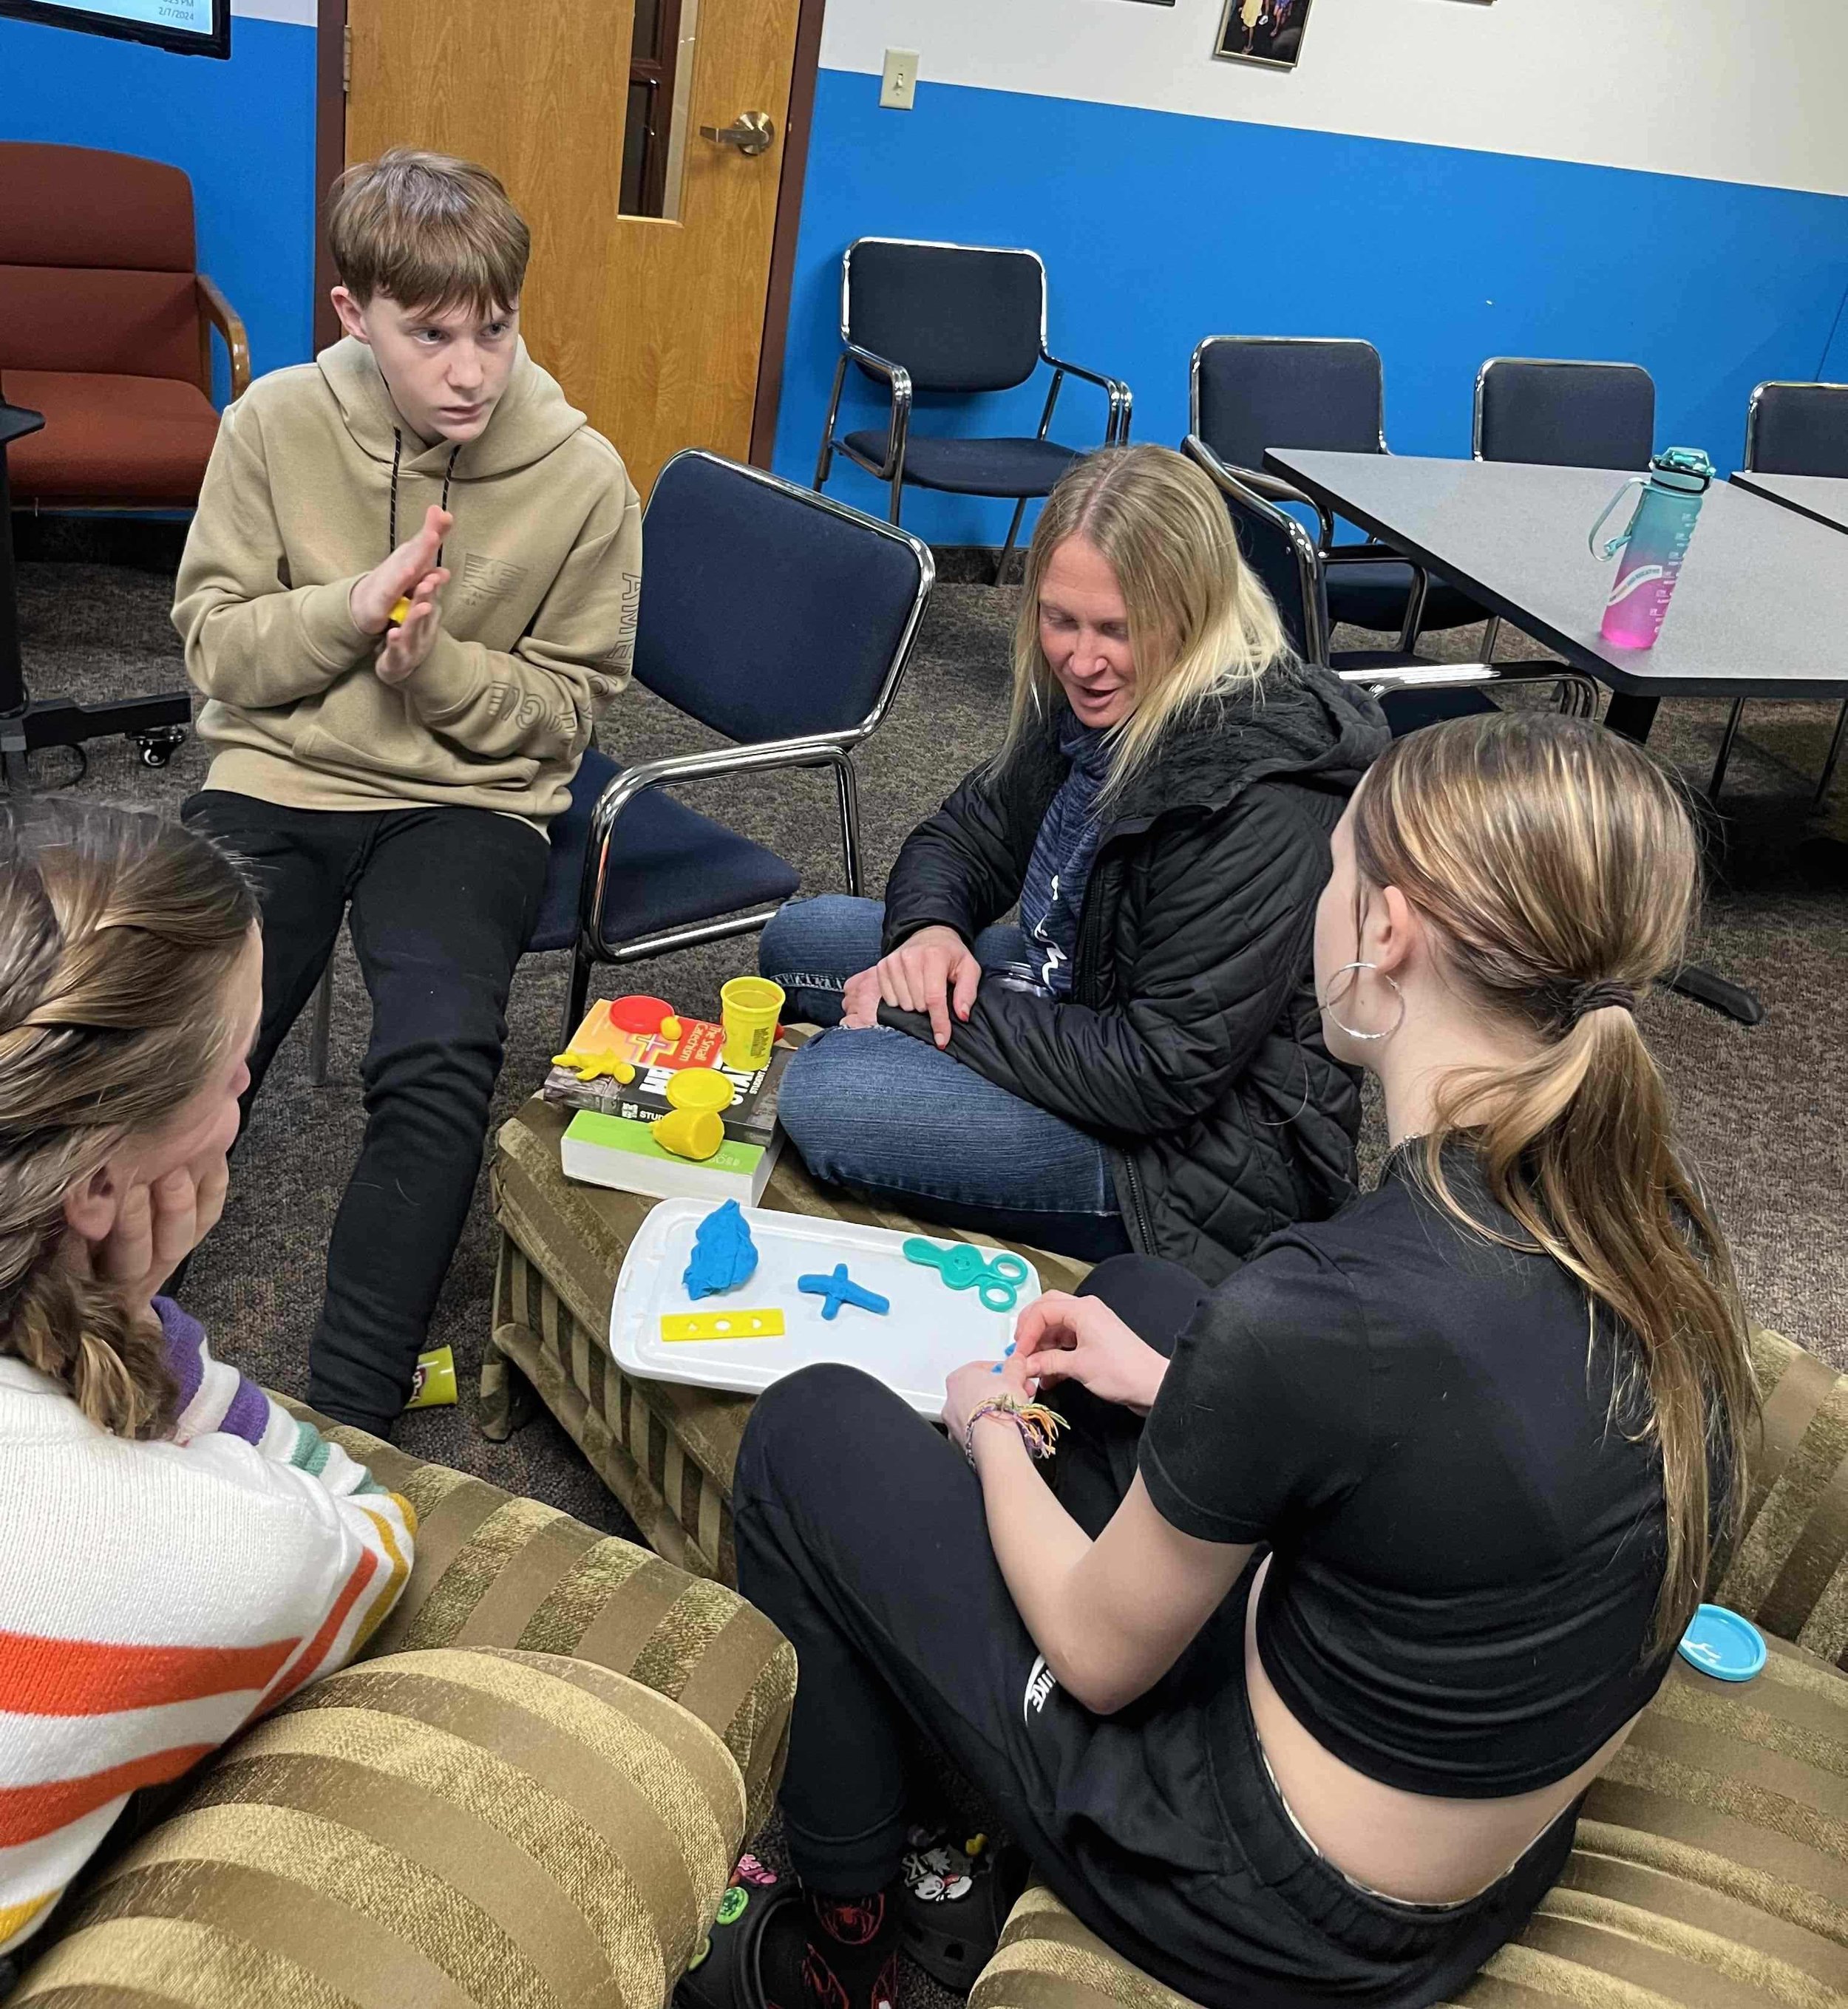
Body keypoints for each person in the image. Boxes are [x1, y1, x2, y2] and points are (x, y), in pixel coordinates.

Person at [730, 710, 1756, 2009]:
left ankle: (850, 1933)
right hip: (1474, 1837)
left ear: (1384, 931)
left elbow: (1104, 1657)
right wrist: (1178, 1382)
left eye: (1333, 874)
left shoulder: (1326, 1304)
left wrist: (986, 1423)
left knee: (812, 1430)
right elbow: (1445, 1437)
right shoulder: (1655, 1220)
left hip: (1278, 1903)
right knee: (1151, 1297)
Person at [173, 149, 642, 1435]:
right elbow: (212, 647)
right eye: (428, 334)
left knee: (440, 1057)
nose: (470, 369)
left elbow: (565, 712)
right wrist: (351, 609)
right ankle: (61, 1337)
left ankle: (351, 1425)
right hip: (281, 774)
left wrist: (434, 668)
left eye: (492, 329)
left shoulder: (587, 481)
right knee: (179, 1030)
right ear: (351, 316)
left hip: (472, 799)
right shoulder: (270, 422)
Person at [758, 443, 1387, 1274]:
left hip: (1197, 1156)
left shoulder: (1258, 792)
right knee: (803, 937)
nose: (1082, 662)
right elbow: (965, 836)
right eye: (1061, 620)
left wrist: (927, 1014)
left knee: (831, 1092)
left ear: (1192, 614)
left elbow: (1159, 1073)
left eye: (1117, 630)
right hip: (1088, 989)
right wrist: (930, 938)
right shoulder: (1100, 702)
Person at [0, 804, 416, 1963]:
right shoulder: (191, 1546)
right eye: (239, 1068)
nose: (248, 1083)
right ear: (101, 1187)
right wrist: (136, 1318)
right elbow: (369, 1534)